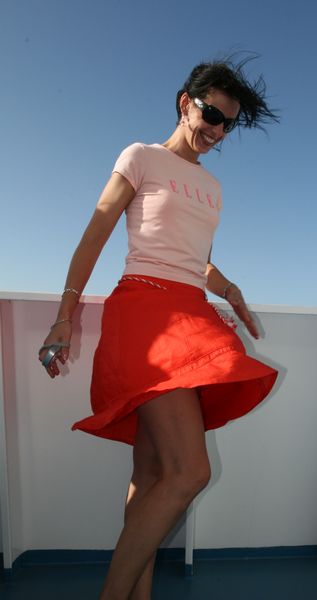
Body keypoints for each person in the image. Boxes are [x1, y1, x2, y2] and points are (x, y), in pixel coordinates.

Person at [38, 56, 279, 600]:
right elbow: (97, 231)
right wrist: (63, 317)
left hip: (190, 311)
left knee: (150, 473)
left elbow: (197, 261)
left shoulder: (212, 187)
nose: (217, 130)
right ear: (185, 103)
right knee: (191, 472)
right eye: (211, 114)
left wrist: (230, 289)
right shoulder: (141, 156)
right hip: (145, 313)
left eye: (228, 124)